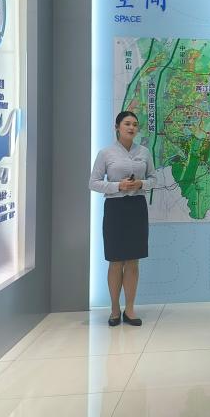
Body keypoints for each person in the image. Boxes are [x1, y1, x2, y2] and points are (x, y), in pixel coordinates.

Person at [89, 110, 156, 327]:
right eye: (127, 124)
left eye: (135, 124)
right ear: (117, 127)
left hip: (137, 207)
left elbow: (153, 178)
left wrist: (141, 184)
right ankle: (114, 309)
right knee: (116, 261)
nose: (131, 128)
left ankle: (130, 309)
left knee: (133, 261)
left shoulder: (144, 152)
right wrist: (118, 186)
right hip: (115, 208)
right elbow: (93, 182)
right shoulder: (106, 153)